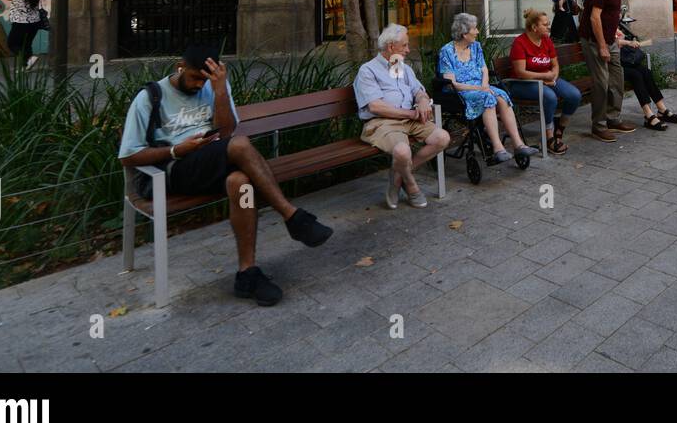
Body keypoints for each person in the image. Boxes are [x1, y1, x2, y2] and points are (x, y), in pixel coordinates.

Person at [119, 45, 333, 307]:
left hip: (210, 163)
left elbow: (227, 131)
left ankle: (247, 274)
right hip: (172, 169)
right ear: (180, 67)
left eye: (205, 79)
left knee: (240, 183)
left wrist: (219, 90)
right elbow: (128, 156)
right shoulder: (150, 96)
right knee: (241, 145)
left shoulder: (215, 87)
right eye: (195, 78)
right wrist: (176, 149)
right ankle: (292, 216)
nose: (199, 85)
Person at [355, 23, 451, 209]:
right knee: (402, 152)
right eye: (405, 45)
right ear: (391, 47)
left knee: (442, 138)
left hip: (410, 120)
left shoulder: (403, 68)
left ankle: (397, 175)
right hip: (383, 123)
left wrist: (423, 100)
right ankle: (412, 186)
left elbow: (418, 90)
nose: (408, 50)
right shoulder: (368, 70)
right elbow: (376, 106)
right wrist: (412, 113)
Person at [439, 13, 537, 164]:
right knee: (488, 97)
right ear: (464, 33)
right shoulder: (447, 51)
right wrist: (479, 88)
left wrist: (484, 85)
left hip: (481, 87)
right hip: (460, 91)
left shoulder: (476, 47)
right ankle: (498, 149)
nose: (477, 32)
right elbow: (453, 84)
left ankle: (519, 144)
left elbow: (484, 69)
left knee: (503, 96)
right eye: (474, 29)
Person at [581, 0, 642, 142]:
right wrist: (602, 46)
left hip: (610, 39)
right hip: (594, 40)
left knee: (617, 79)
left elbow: (611, 14)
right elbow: (594, 16)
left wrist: (615, 33)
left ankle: (612, 118)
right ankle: (598, 126)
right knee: (601, 83)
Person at [507, 8, 582, 155]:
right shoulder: (520, 43)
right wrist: (544, 78)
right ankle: (548, 138)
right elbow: (520, 72)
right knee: (549, 97)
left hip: (547, 78)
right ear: (534, 27)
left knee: (574, 95)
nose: (549, 27)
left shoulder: (546, 40)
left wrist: (553, 75)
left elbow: (555, 64)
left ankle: (559, 129)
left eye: (548, 23)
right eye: (545, 24)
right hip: (522, 83)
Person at [617, 17, 677, 130]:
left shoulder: (612, 20)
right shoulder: (601, 20)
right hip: (613, 65)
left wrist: (622, 38)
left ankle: (662, 110)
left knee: (646, 71)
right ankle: (648, 115)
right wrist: (627, 42)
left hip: (623, 60)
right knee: (635, 75)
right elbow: (608, 42)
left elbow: (619, 35)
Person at [0, 0, 44, 68]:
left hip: (20, 24)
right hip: (34, 23)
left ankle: (28, 58)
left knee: (12, 44)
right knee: (27, 44)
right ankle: (25, 66)